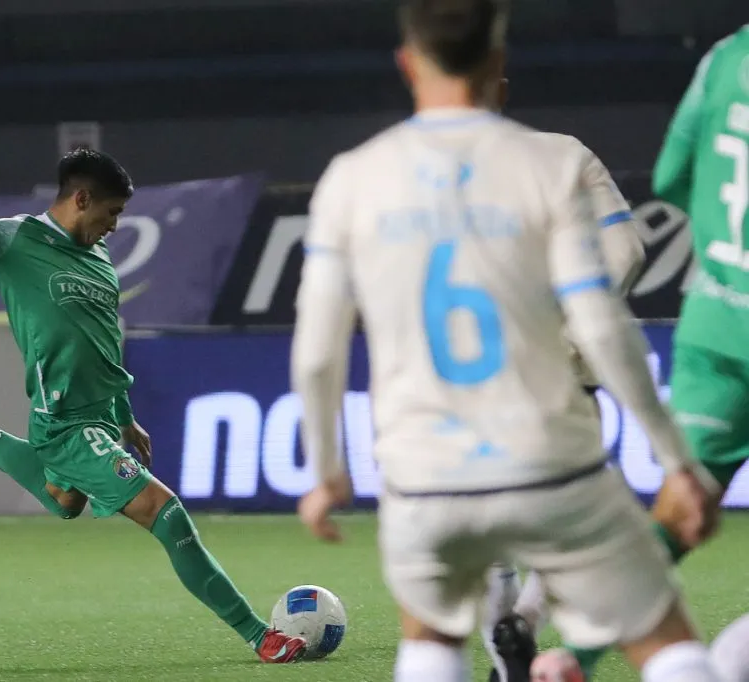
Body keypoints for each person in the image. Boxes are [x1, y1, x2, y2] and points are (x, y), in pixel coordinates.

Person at [290, 1, 720, 680]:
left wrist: (325, 472)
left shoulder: (353, 176)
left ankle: (501, 635)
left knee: (429, 638)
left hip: (423, 471)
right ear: (499, 69)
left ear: (407, 65)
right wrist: (674, 457)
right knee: (663, 638)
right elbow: (609, 305)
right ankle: (525, 620)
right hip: (550, 446)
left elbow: (317, 350)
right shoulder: (554, 163)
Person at [0, 148, 307, 664]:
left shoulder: (100, 261)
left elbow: (104, 347)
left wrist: (123, 415)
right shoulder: (14, 239)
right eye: (110, 213)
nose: (114, 226)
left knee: (64, 500)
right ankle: (259, 636)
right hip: (64, 422)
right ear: (82, 198)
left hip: (97, 416)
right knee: (166, 513)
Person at [539, 22, 749, 681]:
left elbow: (671, 175)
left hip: (716, 322)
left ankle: (573, 656)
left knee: (681, 508)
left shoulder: (725, 57)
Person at [480, 78, 649, 682]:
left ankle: (505, 661)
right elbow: (627, 249)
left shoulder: (401, 178)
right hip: (567, 379)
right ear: (500, 84)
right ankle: (525, 621)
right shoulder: (564, 155)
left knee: (479, 535)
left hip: (470, 383)